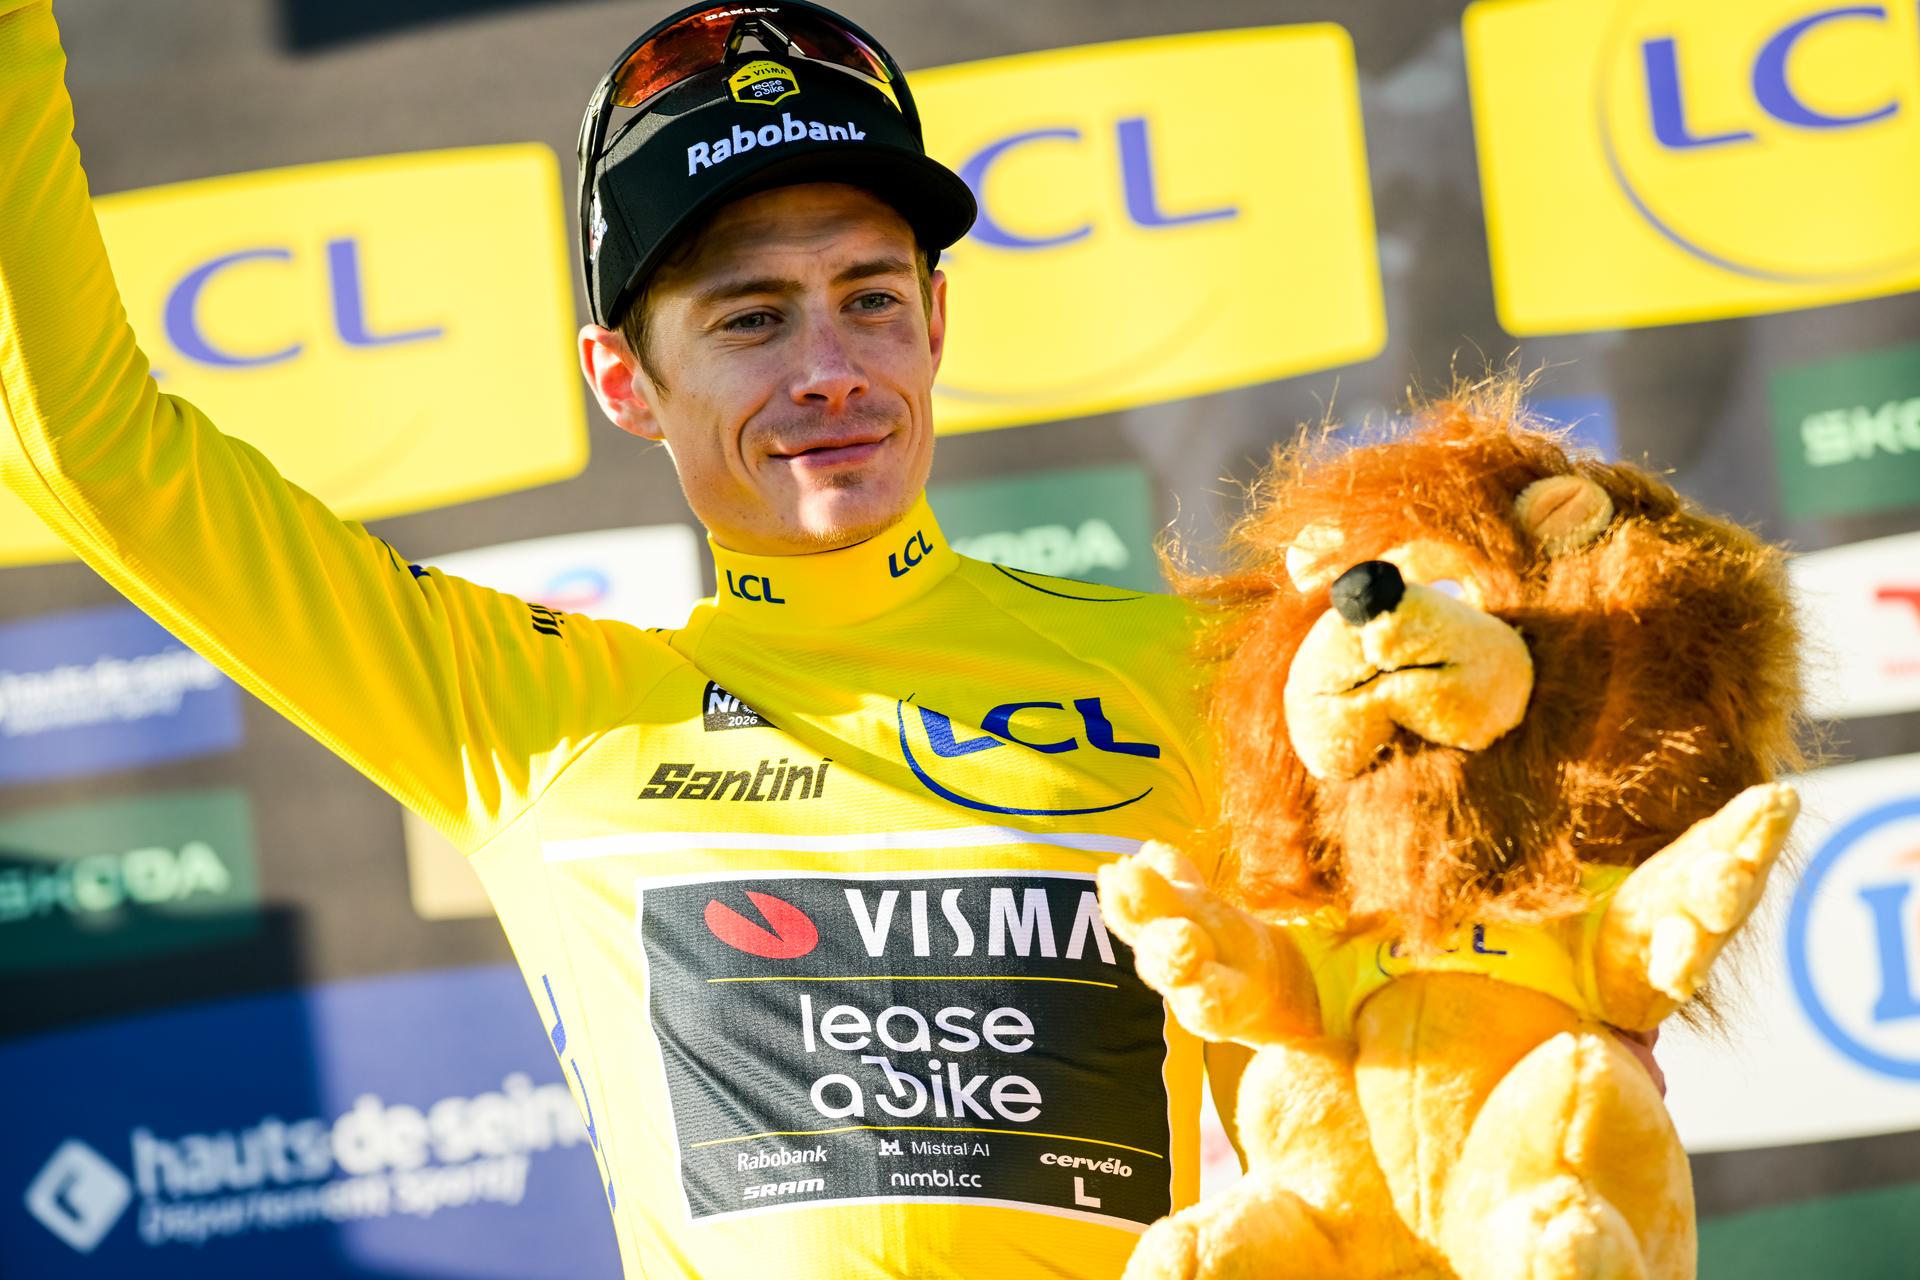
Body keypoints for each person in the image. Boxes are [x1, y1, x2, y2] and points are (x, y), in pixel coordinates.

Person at [0, 2, 1225, 1276]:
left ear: (937, 320)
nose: (830, 368)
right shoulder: (535, 713)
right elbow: (85, 450)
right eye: (751, 318)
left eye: (869, 298)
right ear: (624, 379)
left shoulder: (1194, 669)